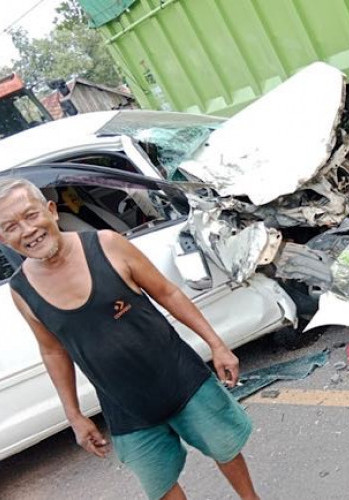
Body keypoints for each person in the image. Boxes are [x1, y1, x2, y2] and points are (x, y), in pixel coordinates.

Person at [0, 178, 260, 500]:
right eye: (10, 227)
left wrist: (217, 345)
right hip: (125, 409)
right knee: (161, 486)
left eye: (30, 215)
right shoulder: (21, 289)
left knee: (226, 450)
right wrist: (75, 415)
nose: (26, 230)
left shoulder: (106, 245)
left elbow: (168, 292)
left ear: (51, 211)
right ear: (3, 239)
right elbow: (53, 351)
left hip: (182, 379)